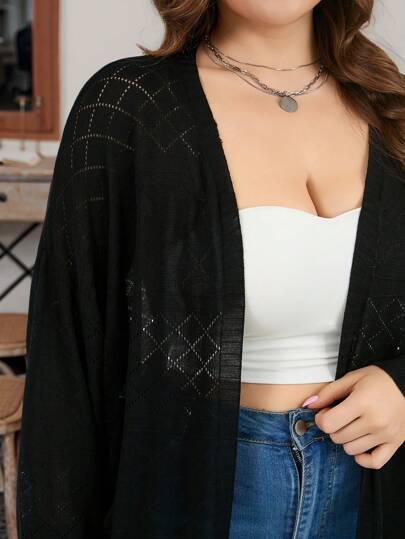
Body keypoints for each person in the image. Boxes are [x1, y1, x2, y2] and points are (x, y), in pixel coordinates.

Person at [16, 1, 405, 538]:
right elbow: (67, 361)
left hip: (373, 494)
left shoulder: (392, 109)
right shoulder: (128, 106)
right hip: (193, 495)